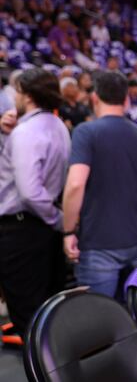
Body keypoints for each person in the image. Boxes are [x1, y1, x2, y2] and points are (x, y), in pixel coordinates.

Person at [62, 71, 137, 299]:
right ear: (126, 99)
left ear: (94, 98)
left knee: (101, 322)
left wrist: (68, 231)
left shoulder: (85, 132)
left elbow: (76, 184)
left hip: (99, 243)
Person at [0, 68, 70, 342]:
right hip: (42, 228)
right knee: (47, 312)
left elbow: (29, 192)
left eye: (17, 91)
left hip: (23, 229)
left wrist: (55, 218)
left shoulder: (26, 132)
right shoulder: (59, 125)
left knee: (29, 319)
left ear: (27, 95)